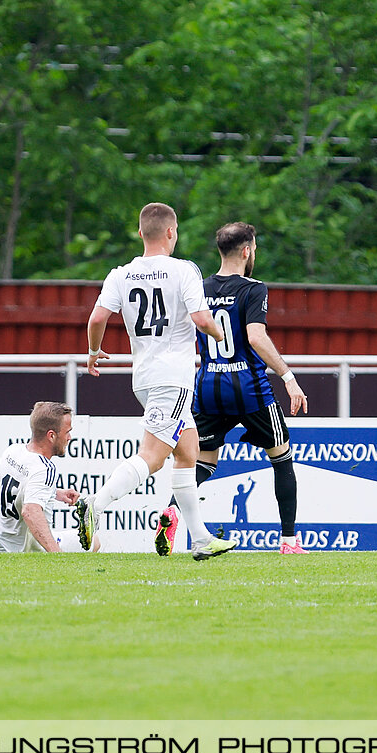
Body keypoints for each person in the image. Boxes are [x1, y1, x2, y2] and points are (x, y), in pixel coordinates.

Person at [81, 202, 236, 561]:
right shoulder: (184, 270)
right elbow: (200, 317)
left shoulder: (121, 273)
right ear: (171, 232)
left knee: (188, 452)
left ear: (140, 233)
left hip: (145, 377)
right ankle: (95, 504)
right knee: (152, 457)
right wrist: (218, 335)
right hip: (173, 377)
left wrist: (93, 351)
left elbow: (97, 317)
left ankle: (199, 539)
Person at [177, 222, 311, 555]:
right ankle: (289, 542)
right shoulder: (253, 288)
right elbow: (255, 337)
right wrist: (289, 377)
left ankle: (169, 510)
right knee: (281, 459)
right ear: (247, 251)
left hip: (208, 387)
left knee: (203, 464)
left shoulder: (199, 288)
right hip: (250, 390)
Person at [0, 402, 82, 553]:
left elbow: (21, 487)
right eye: (67, 432)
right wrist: (57, 554)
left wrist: (57, 493)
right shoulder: (45, 468)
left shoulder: (12, 451)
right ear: (51, 435)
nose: (70, 438)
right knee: (95, 542)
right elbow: (30, 511)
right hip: (21, 549)